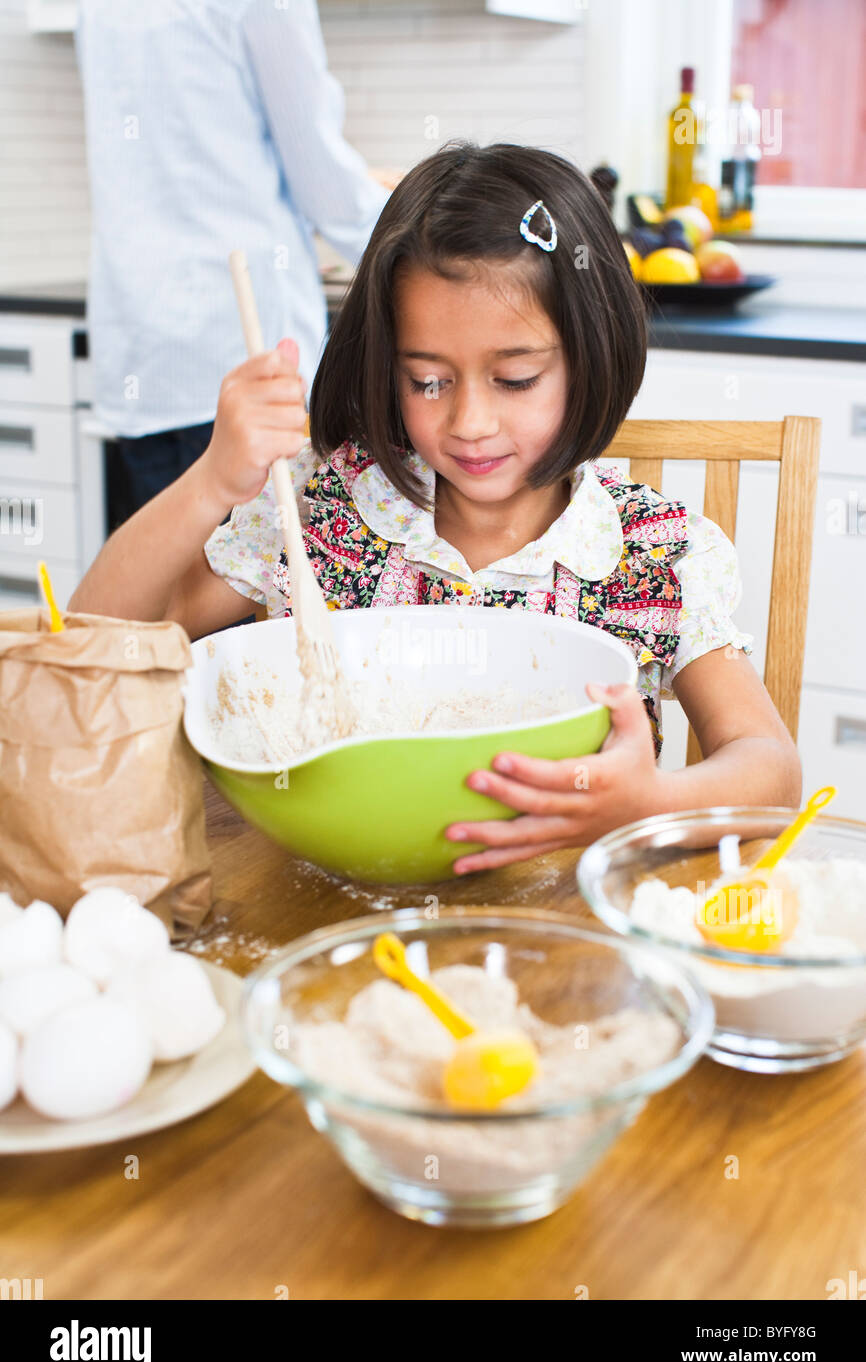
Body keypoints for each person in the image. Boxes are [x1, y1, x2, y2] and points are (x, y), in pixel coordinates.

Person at [70, 142, 801, 875]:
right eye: (427, 381)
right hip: (321, 900)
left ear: (593, 352)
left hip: (570, 932)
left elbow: (769, 769)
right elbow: (95, 641)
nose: (470, 422)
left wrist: (649, 803)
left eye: (515, 379)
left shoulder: (653, 554)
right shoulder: (326, 515)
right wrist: (211, 483)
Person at [76, 0, 389, 517]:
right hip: (242, 351)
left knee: (161, 588)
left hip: (139, 350)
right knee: (258, 585)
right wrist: (429, 244)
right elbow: (325, 187)